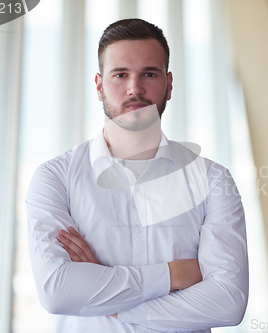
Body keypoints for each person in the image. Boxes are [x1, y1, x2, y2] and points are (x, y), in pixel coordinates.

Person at [26, 18, 249, 333]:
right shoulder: (54, 179)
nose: (135, 88)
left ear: (169, 85)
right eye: (120, 74)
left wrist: (115, 304)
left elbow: (229, 302)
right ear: (99, 84)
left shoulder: (213, 180)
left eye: (149, 73)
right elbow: (57, 292)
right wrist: (173, 275)